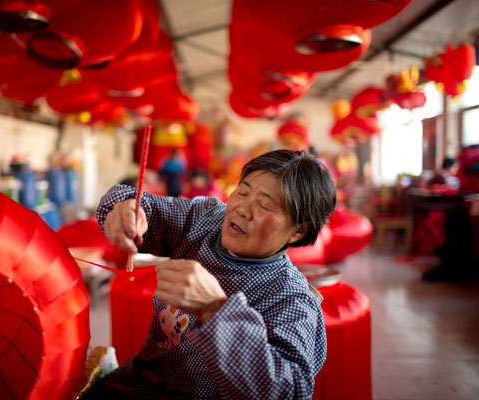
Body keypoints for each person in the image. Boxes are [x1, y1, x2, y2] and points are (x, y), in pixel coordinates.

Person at [87, 149, 336, 399]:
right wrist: (128, 210)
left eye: (264, 205)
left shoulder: (289, 298)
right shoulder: (206, 220)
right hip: (140, 379)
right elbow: (146, 208)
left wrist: (214, 309)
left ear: (297, 231)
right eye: (243, 191)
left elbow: (290, 391)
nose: (241, 209)